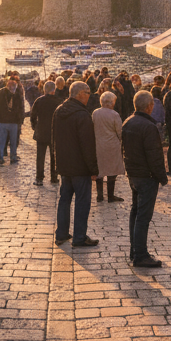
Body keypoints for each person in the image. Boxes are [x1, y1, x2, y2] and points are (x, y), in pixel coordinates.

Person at [121, 90, 168, 267]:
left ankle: (135, 250)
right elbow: (154, 155)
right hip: (146, 175)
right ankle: (140, 255)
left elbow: (123, 149)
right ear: (149, 106)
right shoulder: (149, 127)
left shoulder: (128, 122)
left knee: (136, 212)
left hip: (134, 174)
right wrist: (162, 177)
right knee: (143, 216)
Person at [51, 80, 99, 247]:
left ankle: (61, 233)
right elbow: (88, 144)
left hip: (65, 165)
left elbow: (54, 139)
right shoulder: (82, 115)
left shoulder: (59, 111)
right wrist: (94, 168)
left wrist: (56, 163)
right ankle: (79, 237)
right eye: (87, 93)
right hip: (80, 166)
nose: (89, 96)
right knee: (82, 201)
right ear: (79, 94)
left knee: (64, 199)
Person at [92, 91, 125, 203]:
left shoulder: (95, 113)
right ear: (111, 102)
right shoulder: (114, 114)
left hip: (98, 144)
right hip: (112, 145)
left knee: (100, 170)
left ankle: (99, 195)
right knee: (112, 171)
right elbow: (119, 131)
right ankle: (110, 196)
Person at [30, 80, 61, 185]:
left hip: (41, 132)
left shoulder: (39, 101)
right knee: (54, 157)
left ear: (44, 90)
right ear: (54, 90)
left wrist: (35, 127)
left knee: (40, 157)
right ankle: (54, 177)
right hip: (55, 133)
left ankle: (39, 178)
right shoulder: (58, 101)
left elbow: (33, 116)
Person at [0, 74, 25, 164]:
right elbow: (21, 108)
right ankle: (13, 157)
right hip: (14, 121)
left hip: (2, 120)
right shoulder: (18, 94)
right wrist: (20, 120)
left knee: (2, 140)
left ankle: (1, 157)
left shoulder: (1, 92)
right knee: (13, 141)